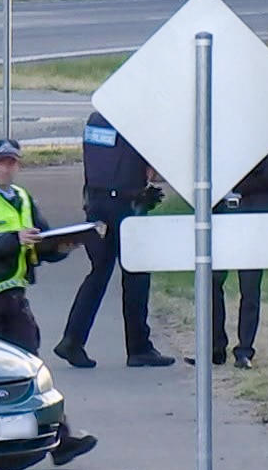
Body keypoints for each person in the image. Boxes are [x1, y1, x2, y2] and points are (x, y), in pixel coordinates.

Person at [0, 139, 97, 465]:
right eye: (0, 162)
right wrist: (12, 239)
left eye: (12, 162)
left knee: (32, 371)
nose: (6, 168)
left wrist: (64, 245)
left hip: (14, 298)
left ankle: (61, 440)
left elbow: (41, 246)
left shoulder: (22, 199)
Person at [54, 112, 177, 369]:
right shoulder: (138, 124)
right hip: (128, 206)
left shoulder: (95, 121)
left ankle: (72, 339)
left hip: (96, 205)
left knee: (98, 273)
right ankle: (139, 347)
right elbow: (153, 173)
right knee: (136, 274)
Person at [197, 141, 268, 370]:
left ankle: (244, 350)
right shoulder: (222, 130)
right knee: (211, 280)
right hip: (221, 214)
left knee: (249, 286)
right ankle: (215, 348)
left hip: (254, 217)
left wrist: (233, 182)